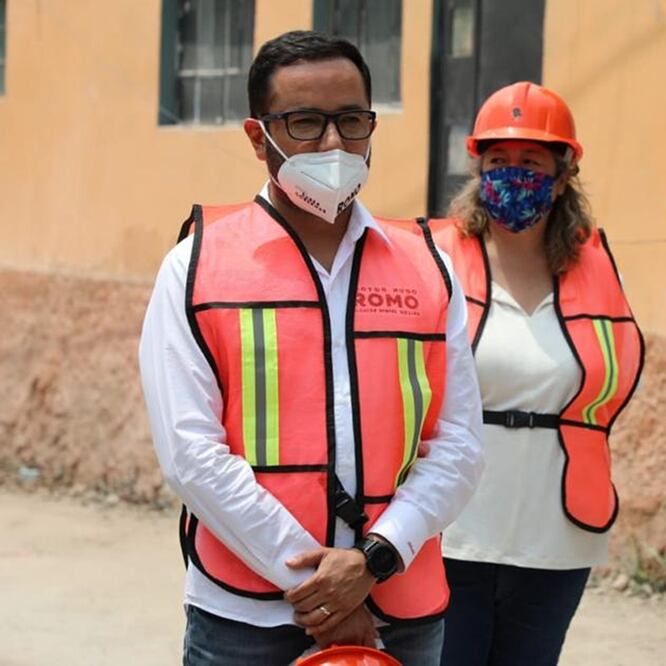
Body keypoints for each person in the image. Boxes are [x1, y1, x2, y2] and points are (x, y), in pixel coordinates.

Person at [138, 31, 483, 666]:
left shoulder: (427, 267)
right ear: (256, 136)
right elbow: (191, 455)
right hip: (246, 619)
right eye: (304, 123)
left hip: (399, 609)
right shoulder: (195, 267)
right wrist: (322, 589)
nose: (333, 144)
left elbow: (459, 444)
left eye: (352, 120)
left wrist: (375, 559)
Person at [426, 81, 645, 665]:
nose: (512, 174)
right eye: (498, 160)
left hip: (558, 535)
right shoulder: (436, 258)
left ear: (563, 171)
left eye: (530, 161)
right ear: (478, 168)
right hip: (452, 526)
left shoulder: (595, 264)